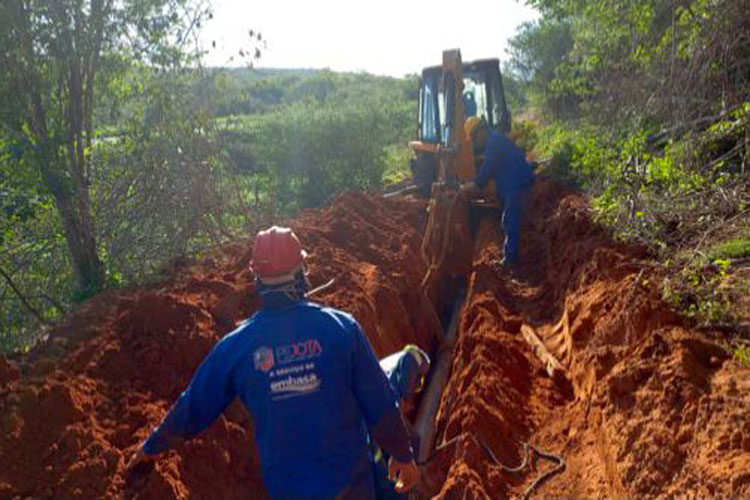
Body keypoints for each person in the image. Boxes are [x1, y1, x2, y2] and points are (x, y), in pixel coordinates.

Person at [126, 226, 420, 499]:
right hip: (350, 488)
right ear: (300, 272)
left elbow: (195, 404)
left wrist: (153, 446)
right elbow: (379, 401)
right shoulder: (341, 329)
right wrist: (402, 455)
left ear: (257, 280)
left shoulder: (238, 346)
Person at [461, 117, 534, 269]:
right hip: (515, 181)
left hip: (517, 184)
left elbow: (485, 173)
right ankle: (510, 257)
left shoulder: (494, 144)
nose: (474, 142)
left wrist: (469, 186)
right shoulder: (495, 139)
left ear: (480, 130)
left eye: (474, 137)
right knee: (507, 221)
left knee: (510, 220)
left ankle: (510, 262)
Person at [374, 345, 431, 499]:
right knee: (411, 441)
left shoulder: (392, 364)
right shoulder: (413, 359)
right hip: (376, 423)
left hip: (373, 418)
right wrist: (400, 451)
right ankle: (405, 490)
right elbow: (400, 396)